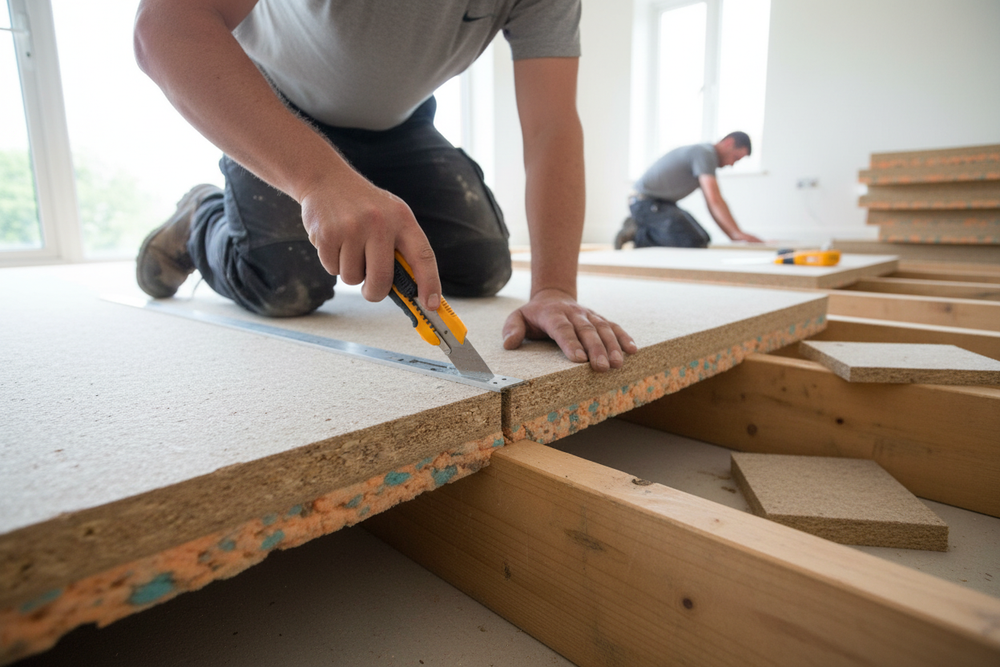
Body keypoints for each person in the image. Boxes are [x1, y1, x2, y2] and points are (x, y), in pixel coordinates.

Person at [133, 0, 635, 372]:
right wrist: (320, 181)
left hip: (402, 127)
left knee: (480, 267)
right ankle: (202, 216)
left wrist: (553, 288)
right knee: (286, 283)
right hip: (280, 112)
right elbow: (165, 27)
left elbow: (551, 126)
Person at [614, 132, 763, 249]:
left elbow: (712, 203)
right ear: (729, 143)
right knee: (690, 242)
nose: (731, 164)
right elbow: (714, 199)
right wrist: (736, 234)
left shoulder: (705, 156)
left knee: (703, 239)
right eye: (735, 158)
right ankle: (638, 234)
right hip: (643, 202)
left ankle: (646, 227)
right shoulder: (705, 153)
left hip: (663, 204)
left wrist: (734, 235)